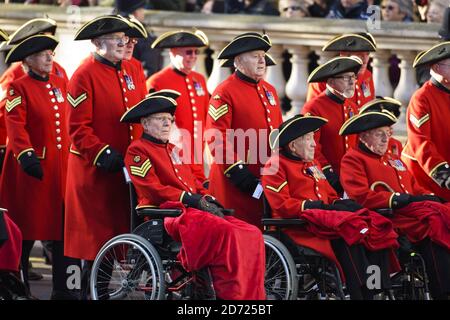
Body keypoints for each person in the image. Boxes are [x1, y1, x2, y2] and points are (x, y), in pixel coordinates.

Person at [121, 91, 266, 300]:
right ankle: (224, 292)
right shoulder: (137, 150)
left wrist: (206, 197)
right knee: (225, 231)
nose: (167, 124)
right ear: (145, 123)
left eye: (170, 120)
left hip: (190, 212)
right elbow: (151, 189)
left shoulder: (173, 149)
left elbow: (193, 183)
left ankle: (246, 293)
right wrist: (188, 199)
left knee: (251, 232)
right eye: (161, 119)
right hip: (166, 214)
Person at [261, 114, 399, 300]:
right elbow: (282, 205)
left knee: (371, 231)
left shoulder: (313, 164)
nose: (314, 145)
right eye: (308, 139)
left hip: (324, 223)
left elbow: (329, 196)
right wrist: (315, 206)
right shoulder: (275, 165)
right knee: (349, 236)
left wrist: (341, 204)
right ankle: (359, 293)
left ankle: (377, 287)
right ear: (293, 145)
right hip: (297, 228)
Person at [64, 15, 147, 299]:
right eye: (117, 39)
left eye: (125, 39)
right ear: (98, 43)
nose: (123, 43)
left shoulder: (133, 68)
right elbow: (77, 129)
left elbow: (142, 113)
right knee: (96, 243)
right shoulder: (83, 75)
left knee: (119, 237)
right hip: (96, 172)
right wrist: (103, 153)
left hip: (125, 169)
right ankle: (90, 294)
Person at [339, 108, 450, 299]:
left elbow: (414, 187)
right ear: (364, 137)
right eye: (379, 135)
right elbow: (361, 196)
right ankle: (443, 290)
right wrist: (395, 199)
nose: (385, 139)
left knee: (442, 212)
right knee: (434, 222)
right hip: (389, 216)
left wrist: (428, 196)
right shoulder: (354, 159)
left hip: (410, 215)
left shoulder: (392, 158)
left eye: (388, 134)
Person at [1, 34, 79, 300]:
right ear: (29, 60)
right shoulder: (18, 87)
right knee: (25, 232)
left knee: (61, 231)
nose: (50, 58)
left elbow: (68, 123)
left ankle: (64, 288)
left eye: (51, 53)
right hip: (30, 172)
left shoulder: (60, 83)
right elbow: (15, 125)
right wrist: (26, 155)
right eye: (44, 54)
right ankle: (19, 288)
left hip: (60, 170)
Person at [205, 32, 283, 227]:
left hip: (266, 176)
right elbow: (217, 137)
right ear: (238, 61)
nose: (262, 60)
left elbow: (279, 133)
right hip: (236, 182)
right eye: (255, 56)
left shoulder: (269, 90)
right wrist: (238, 171)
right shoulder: (224, 91)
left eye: (263, 56)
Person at [0, 18, 68, 173]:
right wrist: (23, 152)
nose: (49, 57)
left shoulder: (59, 72)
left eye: (50, 50)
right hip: (31, 154)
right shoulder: (15, 76)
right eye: (42, 50)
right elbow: (6, 113)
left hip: (58, 156)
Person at [146, 29, 210, 184]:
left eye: (196, 52)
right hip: (173, 155)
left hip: (197, 156)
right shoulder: (156, 82)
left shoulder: (199, 79)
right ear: (173, 53)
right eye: (188, 52)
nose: (193, 56)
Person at [302, 56, 362, 194]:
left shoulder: (352, 107)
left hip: (352, 178)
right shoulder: (313, 108)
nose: (352, 82)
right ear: (331, 81)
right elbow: (311, 147)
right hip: (328, 179)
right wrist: (328, 173)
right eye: (346, 78)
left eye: (353, 77)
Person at [402, 41, 450, 202]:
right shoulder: (421, 98)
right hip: (426, 177)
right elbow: (420, 142)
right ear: (437, 68)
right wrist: (443, 174)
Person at [306, 32, 376, 111]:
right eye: (359, 53)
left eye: (367, 53)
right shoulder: (322, 79)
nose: (365, 59)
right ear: (344, 55)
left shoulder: (367, 75)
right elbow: (314, 110)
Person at [114, 0, 163, 78]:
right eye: (141, 9)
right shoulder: (143, 35)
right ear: (135, 13)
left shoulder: (112, 30)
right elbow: (150, 69)